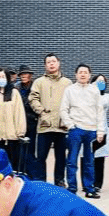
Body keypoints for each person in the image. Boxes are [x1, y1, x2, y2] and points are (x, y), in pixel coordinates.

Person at [59, 63, 104, 198]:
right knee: (72, 160)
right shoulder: (69, 90)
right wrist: (70, 125)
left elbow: (100, 111)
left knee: (89, 161)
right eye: (80, 72)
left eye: (85, 72)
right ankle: (72, 188)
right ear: (76, 75)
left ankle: (89, 188)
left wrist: (100, 131)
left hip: (91, 130)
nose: (83, 74)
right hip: (76, 130)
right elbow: (63, 109)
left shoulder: (95, 90)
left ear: (89, 75)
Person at [28, 54, 70, 185]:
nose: (51, 64)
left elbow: (72, 102)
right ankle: (41, 182)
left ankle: (59, 181)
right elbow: (33, 98)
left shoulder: (67, 83)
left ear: (58, 63)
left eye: (53, 61)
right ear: (45, 65)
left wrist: (67, 118)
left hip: (62, 126)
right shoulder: (39, 82)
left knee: (61, 157)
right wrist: (41, 112)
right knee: (41, 157)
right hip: (44, 125)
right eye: (48, 62)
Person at [0, 67, 27, 171]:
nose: (1, 79)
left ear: (7, 78)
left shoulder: (14, 93)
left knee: (10, 165)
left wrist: (20, 132)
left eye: (3, 77)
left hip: (10, 136)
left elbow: (19, 113)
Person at [91, 74, 109, 194]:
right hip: (88, 129)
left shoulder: (106, 97)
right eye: (98, 81)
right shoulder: (86, 95)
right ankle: (87, 182)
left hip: (102, 130)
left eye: (102, 82)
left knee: (99, 158)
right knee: (86, 157)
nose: (100, 84)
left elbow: (100, 104)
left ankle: (98, 184)